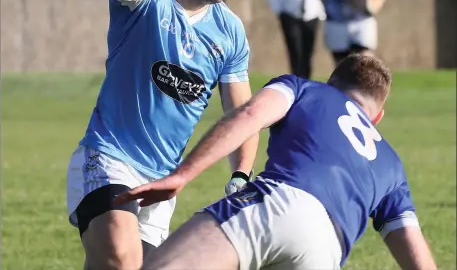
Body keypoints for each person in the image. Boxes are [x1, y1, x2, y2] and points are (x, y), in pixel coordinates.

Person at [65, 0, 259, 270]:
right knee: (121, 255)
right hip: (109, 158)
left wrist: (242, 174)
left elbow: (243, 115)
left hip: (161, 186)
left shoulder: (230, 32)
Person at [116, 54, 437, 270]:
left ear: (331, 85)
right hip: (327, 250)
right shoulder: (393, 166)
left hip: (276, 204)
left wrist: (183, 175)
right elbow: (416, 254)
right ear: (377, 117)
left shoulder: (303, 89)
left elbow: (250, 115)